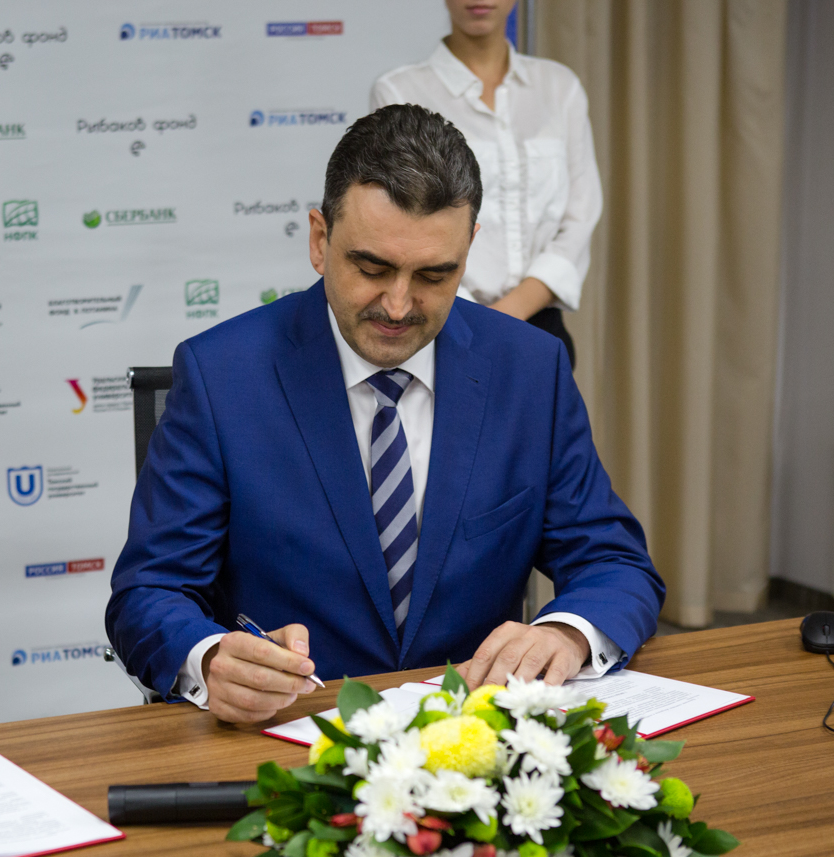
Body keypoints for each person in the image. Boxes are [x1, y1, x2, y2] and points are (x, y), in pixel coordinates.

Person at [105, 105, 662, 724]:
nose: (398, 305)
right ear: (320, 241)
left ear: (468, 251)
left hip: (474, 740)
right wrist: (210, 659)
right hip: (290, 735)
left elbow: (613, 561)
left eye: (434, 275)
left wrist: (567, 633)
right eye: (372, 269)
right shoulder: (222, 375)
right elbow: (148, 592)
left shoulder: (530, 370)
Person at [370, 0, 602, 368]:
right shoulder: (398, 92)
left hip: (541, 330)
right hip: (443, 329)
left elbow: (581, 215)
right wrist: (477, 322)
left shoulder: (560, 88)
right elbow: (401, 225)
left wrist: (511, 313)